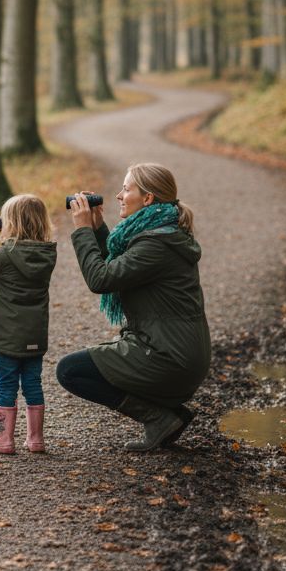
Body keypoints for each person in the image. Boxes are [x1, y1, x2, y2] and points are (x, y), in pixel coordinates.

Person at [56, 163, 212, 452]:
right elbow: (120, 268)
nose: (119, 195)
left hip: (170, 357)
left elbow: (101, 279)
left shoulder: (157, 245)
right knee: (83, 366)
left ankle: (159, 418)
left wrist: (82, 231)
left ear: (148, 199)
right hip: (178, 352)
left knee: (71, 371)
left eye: (127, 189)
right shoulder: (160, 233)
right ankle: (169, 414)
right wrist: (98, 227)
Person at [0, 194, 56, 454]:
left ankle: (4, 439)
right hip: (35, 334)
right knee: (33, 383)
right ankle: (35, 439)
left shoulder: (7, 254)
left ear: (11, 224)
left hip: (6, 335)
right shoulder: (48, 254)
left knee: (6, 384)